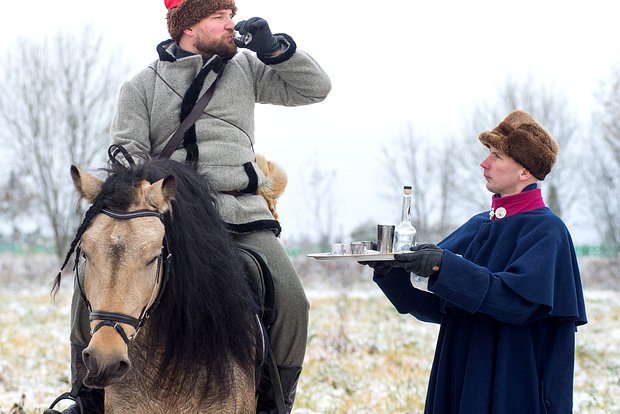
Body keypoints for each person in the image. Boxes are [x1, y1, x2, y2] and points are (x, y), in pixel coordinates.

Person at [45, 1, 331, 413]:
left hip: (241, 214)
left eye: (232, 16)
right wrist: (139, 184)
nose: (232, 25)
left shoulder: (247, 69)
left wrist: (276, 50)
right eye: (220, 18)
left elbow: (315, 89)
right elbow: (128, 154)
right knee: (92, 276)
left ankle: (275, 400)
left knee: (291, 298)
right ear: (190, 28)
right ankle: (86, 394)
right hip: (170, 214)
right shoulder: (141, 86)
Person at [366, 110, 587, 413]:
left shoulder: (547, 231)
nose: (484, 163)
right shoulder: (479, 224)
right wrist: (390, 269)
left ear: (524, 172)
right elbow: (439, 306)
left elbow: (515, 304)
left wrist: (444, 267)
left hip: (512, 384)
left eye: (496, 156)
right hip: (459, 376)